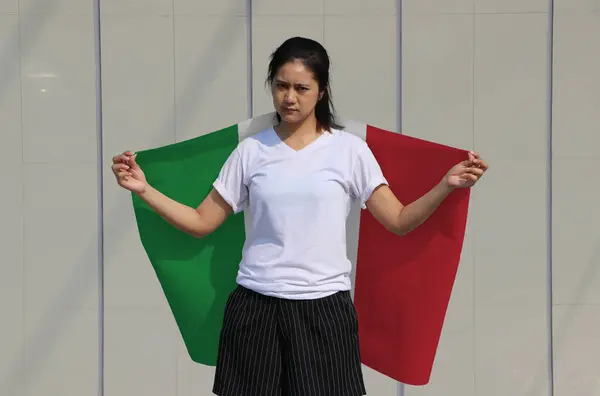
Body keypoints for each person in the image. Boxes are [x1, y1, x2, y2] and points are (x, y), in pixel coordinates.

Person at [111, 36, 488, 396]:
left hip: (325, 310)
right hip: (255, 308)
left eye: (301, 88)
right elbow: (201, 222)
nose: (289, 98)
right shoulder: (250, 152)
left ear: (321, 91)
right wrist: (144, 189)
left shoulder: (349, 151)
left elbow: (399, 220)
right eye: (280, 86)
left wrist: (446, 185)